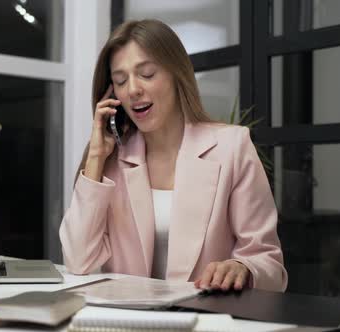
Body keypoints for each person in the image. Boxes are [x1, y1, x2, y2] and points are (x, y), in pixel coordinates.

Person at [59, 19, 287, 292]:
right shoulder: (110, 161)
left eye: (147, 74)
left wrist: (244, 269)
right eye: (120, 80)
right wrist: (95, 156)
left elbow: (269, 263)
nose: (133, 89)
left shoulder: (232, 147)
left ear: (176, 74)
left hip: (207, 317)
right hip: (130, 319)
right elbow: (77, 260)